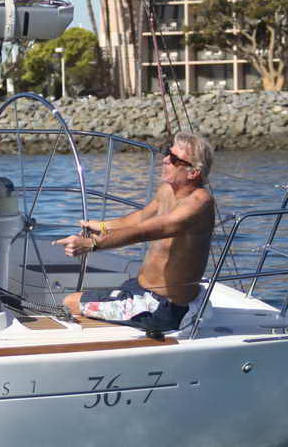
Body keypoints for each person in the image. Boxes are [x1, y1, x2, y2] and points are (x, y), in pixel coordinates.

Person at [53, 132, 216, 333]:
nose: (165, 160)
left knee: (69, 302)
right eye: (168, 153)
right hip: (141, 290)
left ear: (193, 173)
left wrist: (92, 244)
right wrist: (103, 226)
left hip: (163, 308)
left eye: (174, 159)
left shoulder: (198, 205)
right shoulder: (167, 189)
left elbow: (144, 231)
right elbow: (141, 218)